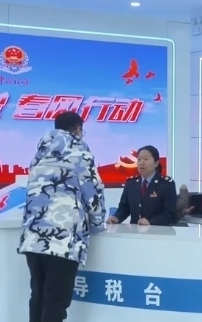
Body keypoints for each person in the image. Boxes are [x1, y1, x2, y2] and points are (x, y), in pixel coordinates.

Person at [18, 111, 105, 322]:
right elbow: (93, 193)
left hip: (33, 238)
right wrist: (98, 223)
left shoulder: (39, 155)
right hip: (63, 239)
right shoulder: (80, 153)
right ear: (77, 130)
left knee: (38, 296)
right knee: (56, 300)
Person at [108, 145, 178, 226]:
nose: (141, 163)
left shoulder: (166, 184)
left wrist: (151, 222)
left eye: (146, 159)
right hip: (135, 231)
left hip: (158, 231)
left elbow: (170, 214)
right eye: (139, 159)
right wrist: (116, 217)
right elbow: (124, 208)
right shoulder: (131, 183)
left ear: (156, 163)